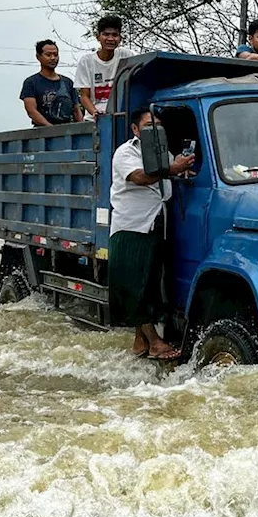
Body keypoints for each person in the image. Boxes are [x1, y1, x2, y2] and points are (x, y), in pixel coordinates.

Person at [109, 109, 196, 360]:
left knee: (148, 283)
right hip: (132, 226)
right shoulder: (126, 152)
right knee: (135, 286)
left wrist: (182, 166)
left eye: (158, 125)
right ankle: (156, 343)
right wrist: (172, 167)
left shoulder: (162, 151)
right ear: (136, 130)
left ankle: (140, 342)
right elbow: (141, 177)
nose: (154, 130)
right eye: (148, 126)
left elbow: (171, 172)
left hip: (156, 223)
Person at [75, 15, 136, 117]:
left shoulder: (126, 55)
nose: (110, 39)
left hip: (121, 116)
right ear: (98, 37)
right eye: (106, 34)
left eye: (115, 35)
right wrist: (94, 112)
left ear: (120, 38)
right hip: (94, 119)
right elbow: (84, 95)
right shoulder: (86, 61)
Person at [20, 40, 83, 126]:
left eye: (55, 54)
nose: (53, 58)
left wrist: (80, 128)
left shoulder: (67, 82)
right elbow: (31, 111)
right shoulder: (31, 83)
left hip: (68, 131)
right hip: (42, 134)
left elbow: (76, 109)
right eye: (48, 55)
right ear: (38, 57)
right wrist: (51, 129)